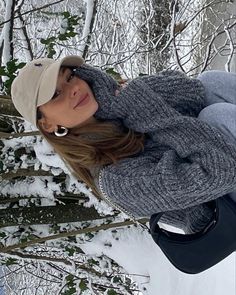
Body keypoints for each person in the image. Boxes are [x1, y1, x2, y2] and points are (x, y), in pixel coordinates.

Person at [10, 55, 236, 234]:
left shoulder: (118, 110)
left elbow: (194, 92)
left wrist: (123, 96)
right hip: (223, 204)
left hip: (220, 159)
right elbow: (220, 171)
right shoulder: (115, 181)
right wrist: (141, 108)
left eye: (70, 77)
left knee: (209, 81)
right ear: (48, 124)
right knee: (215, 117)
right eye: (57, 93)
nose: (75, 88)